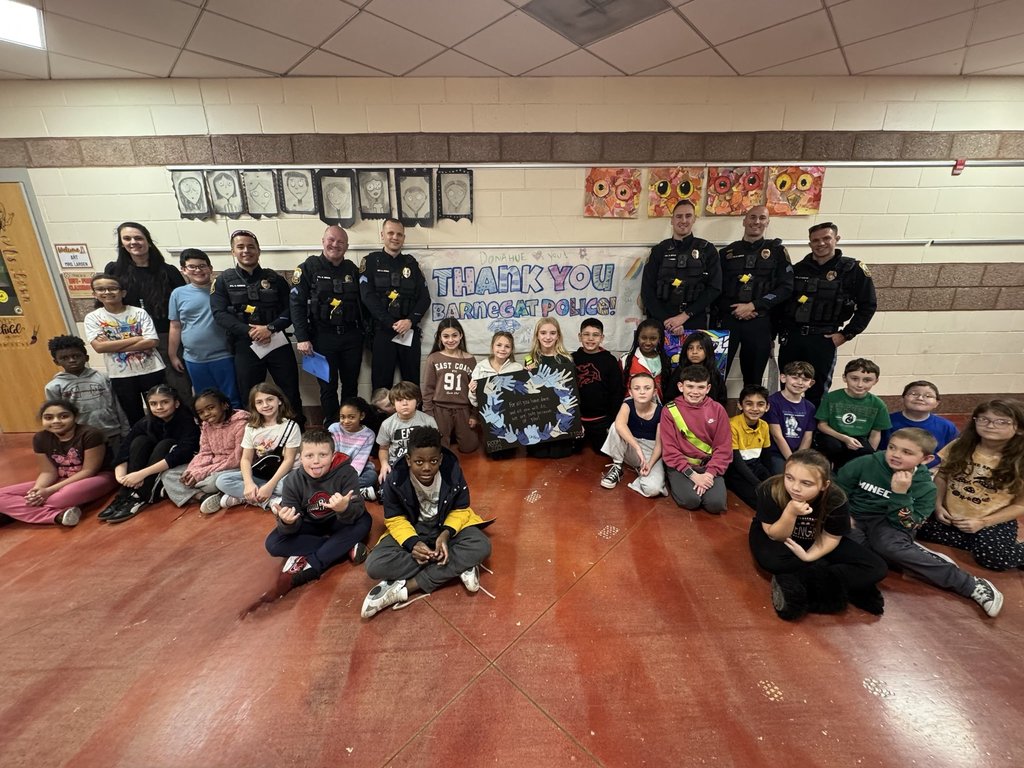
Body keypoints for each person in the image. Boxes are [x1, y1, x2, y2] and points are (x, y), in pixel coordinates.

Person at [838, 428, 1003, 618]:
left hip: (891, 524)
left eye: (907, 452)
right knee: (851, 547)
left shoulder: (925, 487)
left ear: (925, 459)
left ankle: (970, 584)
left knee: (889, 547)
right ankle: (916, 555)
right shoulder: (866, 463)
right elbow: (838, 488)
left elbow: (907, 524)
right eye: (893, 448)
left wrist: (900, 495)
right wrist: (843, 514)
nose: (896, 455)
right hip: (855, 515)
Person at [360, 426, 493, 618]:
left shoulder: (452, 470)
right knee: (374, 565)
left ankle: (409, 586)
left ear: (440, 459)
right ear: (408, 460)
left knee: (481, 546)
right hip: (414, 529)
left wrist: (446, 533)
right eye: (418, 462)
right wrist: (413, 543)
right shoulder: (395, 479)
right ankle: (459, 565)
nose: (426, 467)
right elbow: (395, 519)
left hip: (446, 526)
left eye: (433, 461)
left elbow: (461, 509)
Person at [749, 449, 888, 621]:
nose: (795, 487)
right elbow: (774, 535)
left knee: (876, 567)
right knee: (772, 562)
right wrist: (790, 513)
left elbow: (832, 537)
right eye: (789, 478)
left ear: (824, 485)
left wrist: (809, 557)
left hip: (816, 538)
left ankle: (800, 582)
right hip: (778, 536)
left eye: (806, 483)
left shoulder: (836, 499)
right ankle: (838, 584)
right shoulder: (770, 488)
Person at [916, 399, 1024, 573]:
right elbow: (942, 477)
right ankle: (975, 541)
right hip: (950, 515)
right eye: (984, 419)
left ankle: (1003, 545)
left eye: (1002, 421)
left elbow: (1020, 504)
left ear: (1019, 428)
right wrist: (937, 506)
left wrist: (982, 522)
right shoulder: (960, 446)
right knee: (911, 525)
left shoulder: (1020, 460)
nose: (990, 425)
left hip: (991, 519)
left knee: (994, 558)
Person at [211, 229, 305, 428]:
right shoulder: (223, 281)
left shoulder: (275, 280)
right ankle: (256, 435)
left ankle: (297, 430)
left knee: (290, 389)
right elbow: (219, 314)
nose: (246, 251)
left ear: (259, 250)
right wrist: (250, 331)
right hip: (246, 345)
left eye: (251, 247)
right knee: (250, 393)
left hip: (276, 340)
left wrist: (270, 328)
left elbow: (291, 310)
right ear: (232, 251)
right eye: (240, 247)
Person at [776, 222, 877, 406]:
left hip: (823, 338)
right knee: (788, 386)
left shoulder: (852, 270)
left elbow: (868, 306)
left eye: (826, 238)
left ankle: (812, 432)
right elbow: (782, 304)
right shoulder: (798, 269)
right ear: (810, 244)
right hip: (793, 337)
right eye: (815, 240)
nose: (821, 243)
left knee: (817, 389)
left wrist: (846, 334)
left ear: (836, 239)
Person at [264, 429, 372, 598]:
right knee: (273, 543)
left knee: (364, 522)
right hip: (311, 524)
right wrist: (287, 522)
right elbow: (292, 526)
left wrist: (344, 508)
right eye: (309, 456)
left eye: (323, 455)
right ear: (300, 457)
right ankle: (342, 548)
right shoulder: (293, 480)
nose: (316, 461)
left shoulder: (346, 473)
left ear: (332, 455)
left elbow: (357, 510)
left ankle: (312, 566)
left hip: (339, 521)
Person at [104, 222, 190, 404]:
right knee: (147, 391)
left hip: (167, 337)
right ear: (121, 243)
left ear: (148, 242)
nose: (133, 242)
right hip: (132, 337)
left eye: (138, 238)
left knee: (178, 385)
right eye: (127, 238)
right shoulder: (114, 270)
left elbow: (184, 306)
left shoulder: (168, 271)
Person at [0, 400, 116, 526]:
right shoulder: (40, 438)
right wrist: (37, 489)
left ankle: (13, 512)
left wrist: (49, 491)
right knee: (2, 494)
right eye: (48, 418)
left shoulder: (90, 434)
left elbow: (89, 471)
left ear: (75, 417)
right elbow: (48, 471)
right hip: (62, 479)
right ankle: (56, 516)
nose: (56, 421)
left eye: (64, 416)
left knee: (56, 499)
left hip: (97, 477)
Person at [291, 226, 364, 425]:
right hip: (321, 338)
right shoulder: (308, 268)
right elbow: (296, 304)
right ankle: (332, 425)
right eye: (331, 240)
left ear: (347, 246)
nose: (335, 245)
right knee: (328, 387)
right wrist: (302, 338)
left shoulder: (352, 270)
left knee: (350, 385)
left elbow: (364, 303)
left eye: (341, 242)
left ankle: (350, 424)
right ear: (323, 241)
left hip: (351, 337)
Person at [98, 384, 200, 524]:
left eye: (165, 402)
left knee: (166, 444)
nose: (159, 407)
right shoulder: (146, 422)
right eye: (153, 403)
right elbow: (125, 448)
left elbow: (180, 454)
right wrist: (122, 478)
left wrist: (141, 474)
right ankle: (125, 494)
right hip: (151, 467)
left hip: (179, 464)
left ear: (176, 403)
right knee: (140, 441)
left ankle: (141, 497)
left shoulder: (187, 421)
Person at [716, 205, 793, 386]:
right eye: (752, 217)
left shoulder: (777, 252)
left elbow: (786, 288)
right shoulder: (726, 254)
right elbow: (715, 289)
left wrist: (754, 306)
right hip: (729, 320)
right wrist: (735, 309)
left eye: (761, 218)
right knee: (717, 375)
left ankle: (751, 413)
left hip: (760, 321)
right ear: (744, 221)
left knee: (754, 380)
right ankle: (716, 413)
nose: (756, 222)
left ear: (767, 222)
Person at [203, 383, 301, 515]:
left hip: (285, 474)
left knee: (284, 487)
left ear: (280, 401)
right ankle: (269, 500)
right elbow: (246, 459)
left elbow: (288, 461)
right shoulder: (251, 427)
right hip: (262, 473)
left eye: (270, 399)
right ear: (254, 406)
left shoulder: (291, 426)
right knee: (221, 481)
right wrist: (249, 484)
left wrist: (270, 486)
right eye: (259, 402)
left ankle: (243, 497)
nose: (265, 405)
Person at [83, 273, 166, 425]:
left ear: (123, 292)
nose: (107, 292)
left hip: (151, 369)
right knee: (134, 416)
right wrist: (138, 338)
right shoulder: (93, 318)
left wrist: (113, 344)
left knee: (160, 412)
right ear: (94, 294)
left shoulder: (138, 312)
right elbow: (99, 347)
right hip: (121, 375)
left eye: (112, 288)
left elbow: (152, 341)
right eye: (101, 289)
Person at [359, 219, 430, 390]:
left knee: (411, 383)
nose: (395, 237)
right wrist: (390, 322)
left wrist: (410, 321)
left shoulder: (411, 264)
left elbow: (424, 299)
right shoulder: (370, 262)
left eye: (399, 234)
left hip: (408, 330)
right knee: (381, 385)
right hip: (382, 331)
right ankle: (380, 418)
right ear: (382, 235)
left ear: (403, 238)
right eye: (390, 233)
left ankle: (414, 416)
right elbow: (367, 297)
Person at [168, 248, 240, 408]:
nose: (198, 270)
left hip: (225, 355)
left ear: (210, 268)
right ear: (183, 270)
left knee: (231, 398)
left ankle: (235, 431)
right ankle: (212, 432)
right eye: (192, 267)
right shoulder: (178, 294)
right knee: (205, 401)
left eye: (202, 266)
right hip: (195, 359)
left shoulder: (222, 290)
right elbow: (175, 325)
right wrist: (172, 355)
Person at [640, 199, 721, 335]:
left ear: (694, 219)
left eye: (688, 216)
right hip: (662, 320)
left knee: (694, 357)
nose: (683, 220)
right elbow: (647, 291)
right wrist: (668, 321)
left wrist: (683, 317)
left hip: (694, 318)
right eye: (678, 216)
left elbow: (715, 288)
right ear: (671, 220)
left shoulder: (707, 250)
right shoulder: (659, 250)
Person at [160, 389, 248, 511]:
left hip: (234, 467)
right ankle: (202, 496)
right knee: (168, 475)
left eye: (210, 408)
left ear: (224, 405)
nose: (206, 414)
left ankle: (195, 492)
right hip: (212, 466)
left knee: (211, 483)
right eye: (201, 412)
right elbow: (205, 452)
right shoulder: (206, 425)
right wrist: (192, 470)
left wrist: (201, 473)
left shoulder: (241, 424)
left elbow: (237, 459)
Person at [661, 364, 731, 515]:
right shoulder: (669, 410)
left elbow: (723, 448)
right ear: (681, 386)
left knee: (716, 505)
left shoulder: (718, 410)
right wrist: (693, 476)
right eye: (690, 386)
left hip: (708, 466)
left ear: (708, 388)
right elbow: (670, 450)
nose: (695, 392)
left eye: (700, 387)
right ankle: (674, 480)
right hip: (681, 466)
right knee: (690, 501)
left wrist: (709, 474)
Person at [45, 335, 128, 451]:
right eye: (64, 358)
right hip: (80, 436)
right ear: (56, 361)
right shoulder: (54, 387)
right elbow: (56, 416)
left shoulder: (104, 378)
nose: (72, 360)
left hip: (111, 431)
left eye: (76, 356)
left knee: (118, 463)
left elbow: (117, 405)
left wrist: (125, 429)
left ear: (86, 357)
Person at [814, 358, 890, 470]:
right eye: (854, 379)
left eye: (867, 380)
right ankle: (828, 471)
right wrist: (844, 438)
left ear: (875, 381)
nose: (860, 384)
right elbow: (821, 425)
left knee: (865, 452)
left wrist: (869, 456)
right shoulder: (832, 397)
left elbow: (875, 433)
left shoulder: (878, 404)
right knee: (832, 446)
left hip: (858, 439)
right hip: (833, 436)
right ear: (845, 378)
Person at [599, 371, 666, 497]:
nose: (642, 392)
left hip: (651, 452)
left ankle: (641, 470)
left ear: (655, 392)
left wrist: (650, 464)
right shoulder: (627, 404)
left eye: (647, 388)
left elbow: (659, 446)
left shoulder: (661, 411)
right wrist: (637, 447)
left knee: (653, 489)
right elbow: (620, 424)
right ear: (630, 392)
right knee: (615, 426)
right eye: (637, 388)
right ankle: (617, 466)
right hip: (631, 448)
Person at [524, 318, 578, 460]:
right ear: (537, 335)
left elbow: (572, 393)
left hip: (560, 412)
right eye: (543, 333)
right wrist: (527, 375)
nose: (548, 337)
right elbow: (527, 394)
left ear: (558, 336)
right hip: (540, 414)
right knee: (538, 453)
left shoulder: (566, 360)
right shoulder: (530, 359)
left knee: (559, 453)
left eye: (552, 333)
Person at [422, 318, 479, 453]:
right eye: (446, 336)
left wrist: (474, 415)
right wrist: (429, 414)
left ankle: (456, 434)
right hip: (440, 408)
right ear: (440, 338)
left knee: (469, 447)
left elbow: (476, 391)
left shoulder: (470, 359)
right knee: (440, 449)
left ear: (461, 336)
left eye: (454, 335)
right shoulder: (433, 358)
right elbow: (428, 389)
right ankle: (447, 435)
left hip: (462, 408)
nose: (450, 340)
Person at [879, 381, 958, 470]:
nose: (920, 398)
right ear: (902, 398)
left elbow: (953, 454)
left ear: (937, 403)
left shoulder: (947, 426)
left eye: (928, 396)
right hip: (888, 468)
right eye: (914, 394)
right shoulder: (886, 421)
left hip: (930, 472)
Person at [469, 331, 524, 460]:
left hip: (511, 418)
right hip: (489, 419)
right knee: (494, 454)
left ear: (511, 350)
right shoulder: (481, 367)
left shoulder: (517, 368)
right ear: (492, 346)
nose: (502, 349)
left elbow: (522, 396)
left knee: (510, 452)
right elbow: (475, 402)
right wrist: (472, 391)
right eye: (499, 345)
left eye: (507, 346)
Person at [572, 318, 624, 453]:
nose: (590, 338)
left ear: (602, 338)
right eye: (586, 334)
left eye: (595, 335)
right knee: (573, 451)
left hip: (601, 421)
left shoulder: (609, 361)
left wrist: (611, 421)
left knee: (602, 453)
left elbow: (617, 392)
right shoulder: (571, 359)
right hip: (577, 420)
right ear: (579, 336)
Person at [724, 385, 773, 511]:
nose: (755, 409)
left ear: (767, 407)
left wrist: (770, 480)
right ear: (740, 405)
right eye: (749, 404)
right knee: (760, 501)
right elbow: (736, 462)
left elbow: (766, 457)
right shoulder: (732, 425)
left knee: (778, 492)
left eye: (760, 404)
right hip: (737, 472)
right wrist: (758, 484)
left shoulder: (764, 426)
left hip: (756, 467)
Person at [377, 381, 437, 483]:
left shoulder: (428, 421)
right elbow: (383, 448)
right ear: (393, 404)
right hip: (396, 464)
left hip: (421, 464)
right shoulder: (387, 424)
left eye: (409, 399)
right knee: (386, 483)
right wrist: (384, 464)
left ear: (417, 401)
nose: (405, 403)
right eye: (399, 400)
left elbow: (435, 446)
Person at [765, 361, 816, 474]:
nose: (799, 383)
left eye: (805, 380)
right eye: (795, 378)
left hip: (799, 454)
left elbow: (807, 437)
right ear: (783, 378)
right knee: (785, 474)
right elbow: (777, 435)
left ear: (811, 383)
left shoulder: (809, 407)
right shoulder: (772, 402)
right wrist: (792, 460)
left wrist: (799, 458)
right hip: (776, 453)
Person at [328, 396, 379, 502]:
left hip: (356, 470)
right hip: (333, 468)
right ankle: (357, 492)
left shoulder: (368, 434)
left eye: (351, 417)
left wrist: (344, 479)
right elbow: (331, 455)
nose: (346, 421)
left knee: (371, 476)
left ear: (362, 416)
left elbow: (359, 461)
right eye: (342, 417)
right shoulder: (334, 429)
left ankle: (332, 490)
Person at [620, 318, 671, 403]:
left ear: (659, 339)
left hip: (657, 408)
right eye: (644, 338)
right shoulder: (625, 359)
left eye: (653, 338)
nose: (648, 342)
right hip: (632, 407)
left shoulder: (665, 360)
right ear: (637, 337)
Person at [681, 331, 727, 407]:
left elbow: (721, 399)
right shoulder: (679, 371)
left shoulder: (714, 373)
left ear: (708, 350)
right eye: (690, 348)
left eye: (700, 348)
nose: (694, 352)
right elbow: (670, 398)